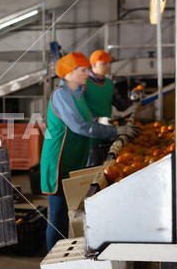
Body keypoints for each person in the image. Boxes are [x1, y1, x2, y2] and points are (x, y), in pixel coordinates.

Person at [40, 52, 140, 251]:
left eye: (88, 69)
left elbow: (89, 122)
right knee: (58, 213)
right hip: (59, 160)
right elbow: (80, 127)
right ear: (69, 73)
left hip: (74, 157)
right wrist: (116, 131)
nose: (88, 73)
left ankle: (63, 254)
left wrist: (105, 124)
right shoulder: (61, 95)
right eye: (83, 70)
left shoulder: (77, 95)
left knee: (67, 211)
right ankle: (53, 258)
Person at [83, 50, 135, 166]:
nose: (108, 66)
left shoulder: (109, 83)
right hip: (90, 137)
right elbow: (79, 110)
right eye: (104, 63)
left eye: (109, 63)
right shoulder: (84, 83)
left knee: (106, 169)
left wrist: (132, 97)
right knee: (90, 171)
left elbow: (121, 106)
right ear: (94, 64)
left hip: (107, 135)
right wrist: (98, 119)